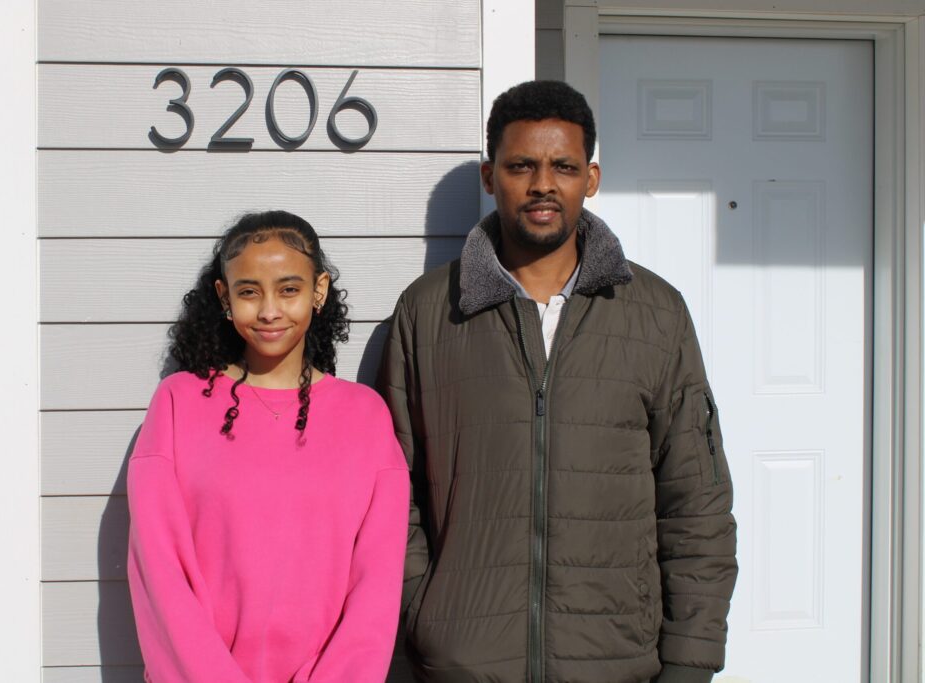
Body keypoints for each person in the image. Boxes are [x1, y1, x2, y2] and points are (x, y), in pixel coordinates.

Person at [378, 81, 737, 683]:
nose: (543, 183)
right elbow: (393, 493)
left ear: (590, 178)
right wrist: (426, 618)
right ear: (491, 176)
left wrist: (690, 660)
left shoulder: (655, 312)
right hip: (463, 664)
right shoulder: (428, 311)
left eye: (563, 166)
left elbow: (696, 504)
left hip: (617, 660)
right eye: (522, 165)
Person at [127, 210, 409, 683]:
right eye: (249, 291)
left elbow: (375, 588)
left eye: (289, 289)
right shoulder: (177, 404)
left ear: (318, 291)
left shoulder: (366, 417)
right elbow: (159, 572)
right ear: (224, 296)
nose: (270, 310)